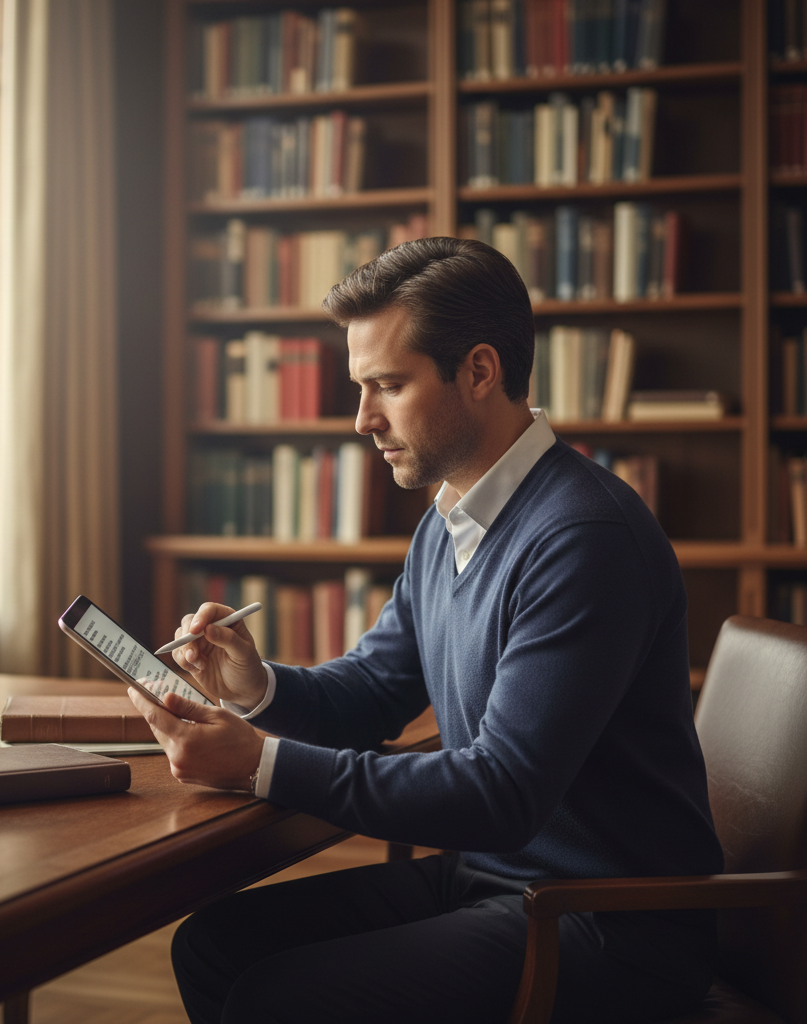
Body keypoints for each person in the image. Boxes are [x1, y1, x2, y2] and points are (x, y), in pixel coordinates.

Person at [127, 237, 723, 1024]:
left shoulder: (585, 536)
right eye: (361, 388)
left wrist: (258, 764)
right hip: (496, 877)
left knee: (278, 997)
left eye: (388, 385)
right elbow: (375, 690)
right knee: (213, 946)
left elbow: (502, 793)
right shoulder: (449, 521)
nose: (362, 419)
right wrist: (257, 687)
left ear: (479, 371)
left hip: (609, 921)